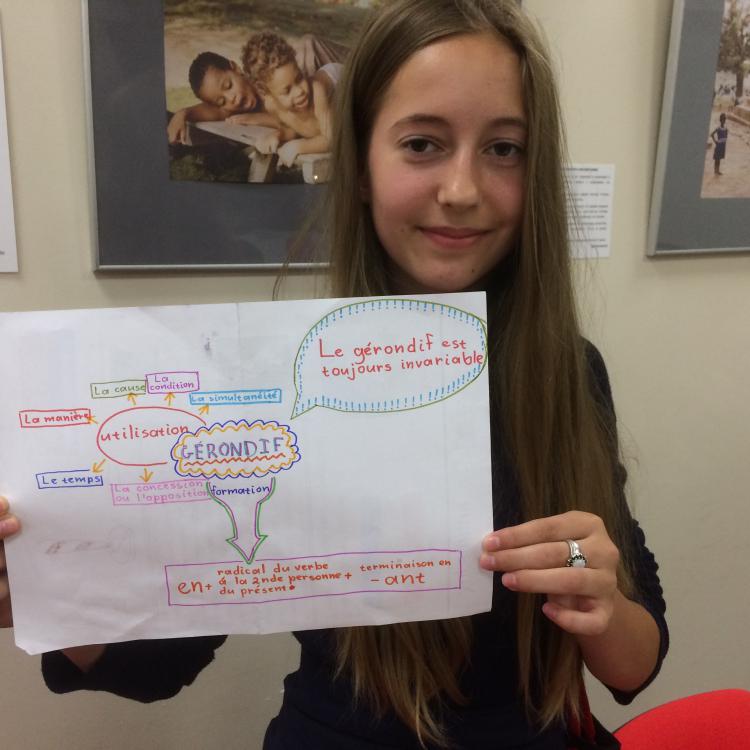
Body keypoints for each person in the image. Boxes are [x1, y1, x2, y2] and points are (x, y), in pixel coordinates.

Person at [0, 1, 667, 748]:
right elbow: (159, 665)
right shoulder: (277, 378)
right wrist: (46, 587)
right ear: (360, 168)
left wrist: (600, 598)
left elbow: (635, 666)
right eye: (422, 144)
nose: (463, 189)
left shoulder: (567, 370)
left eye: (504, 149)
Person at [236, 31, 343, 168]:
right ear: (267, 93)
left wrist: (299, 146)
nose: (299, 91)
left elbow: (332, 139)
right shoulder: (271, 105)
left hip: (344, 82)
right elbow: (293, 127)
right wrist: (279, 136)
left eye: (299, 78)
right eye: (287, 90)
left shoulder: (317, 90)